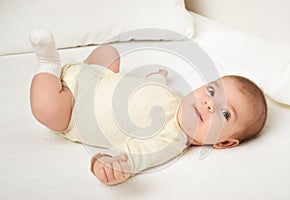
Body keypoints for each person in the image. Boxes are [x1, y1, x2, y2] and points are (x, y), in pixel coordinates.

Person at [29, 29, 267, 185]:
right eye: (212, 91)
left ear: (224, 142)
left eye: (225, 113)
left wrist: (117, 165)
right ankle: (77, 69)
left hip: (72, 108)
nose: (208, 103)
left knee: (45, 109)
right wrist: (158, 77)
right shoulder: (178, 97)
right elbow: (150, 89)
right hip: (96, 77)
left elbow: (139, 154)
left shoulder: (171, 140)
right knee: (109, 52)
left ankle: (48, 64)